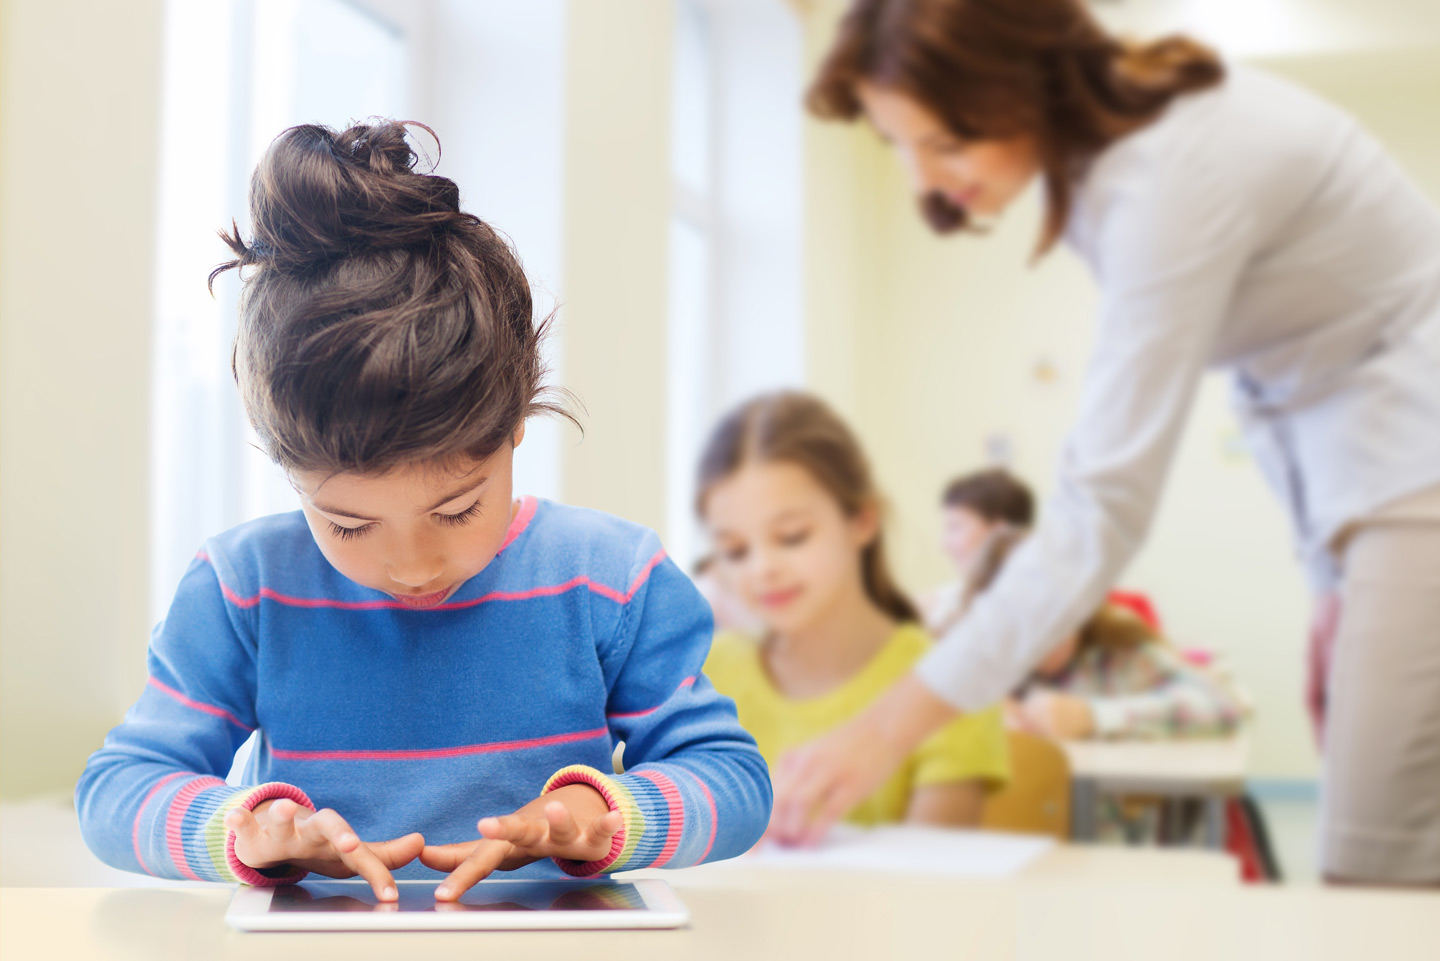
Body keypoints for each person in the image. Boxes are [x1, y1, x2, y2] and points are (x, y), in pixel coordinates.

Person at [772, 0, 1440, 886]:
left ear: (1021, 84)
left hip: (1413, 464)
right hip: (1383, 474)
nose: (923, 183)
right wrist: (1332, 579)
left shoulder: (1168, 179)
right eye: (900, 146)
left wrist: (884, 729)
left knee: (1374, 865)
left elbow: (1101, 510)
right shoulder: (1114, 170)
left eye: (944, 142)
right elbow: (1289, 382)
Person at [74, 121, 770, 902]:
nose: (410, 566)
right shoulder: (245, 588)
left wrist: (605, 817)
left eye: (457, 508)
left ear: (515, 426)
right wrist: (249, 828)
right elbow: (116, 792)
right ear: (285, 469)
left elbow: (732, 778)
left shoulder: (611, 579)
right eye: (347, 524)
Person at [698, 392, 1008, 828]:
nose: (762, 569)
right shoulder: (705, 675)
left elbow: (935, 886)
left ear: (862, 520)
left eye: (792, 536)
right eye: (734, 550)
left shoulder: (948, 685)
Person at [967, 528, 1242, 742]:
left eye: (1055, 614)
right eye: (1023, 623)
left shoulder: (1119, 652)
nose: (1044, 636)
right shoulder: (978, 662)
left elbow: (1223, 707)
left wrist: (1095, 716)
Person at [918, 468, 1034, 635]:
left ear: (998, 533)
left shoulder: (1031, 610)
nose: (944, 545)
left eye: (955, 528)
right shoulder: (938, 604)